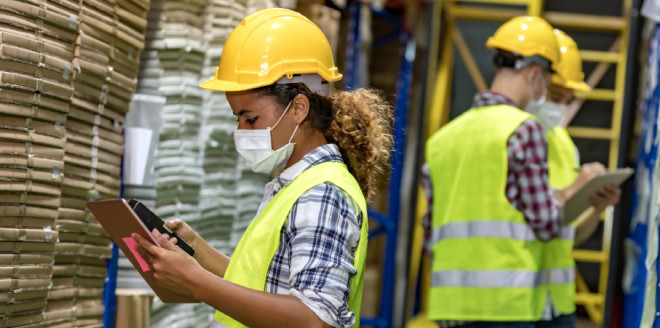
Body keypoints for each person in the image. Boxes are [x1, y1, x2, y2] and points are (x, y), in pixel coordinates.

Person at [132, 8, 392, 328]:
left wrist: (195, 282)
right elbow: (266, 286)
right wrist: (198, 253)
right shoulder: (295, 184)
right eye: (237, 118)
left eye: (250, 118)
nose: (241, 131)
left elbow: (313, 319)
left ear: (298, 108)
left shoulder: (323, 193)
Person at [422, 16, 606, 328]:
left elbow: (431, 236)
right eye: (549, 85)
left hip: (450, 307)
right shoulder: (524, 130)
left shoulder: (442, 139)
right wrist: (575, 190)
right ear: (536, 75)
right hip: (508, 306)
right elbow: (547, 224)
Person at [529, 29, 621, 325]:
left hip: (556, 302)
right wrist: (574, 189)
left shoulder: (562, 144)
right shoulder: (503, 139)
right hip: (515, 299)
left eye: (567, 99)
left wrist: (595, 205)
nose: (560, 107)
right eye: (556, 96)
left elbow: (574, 233)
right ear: (534, 82)